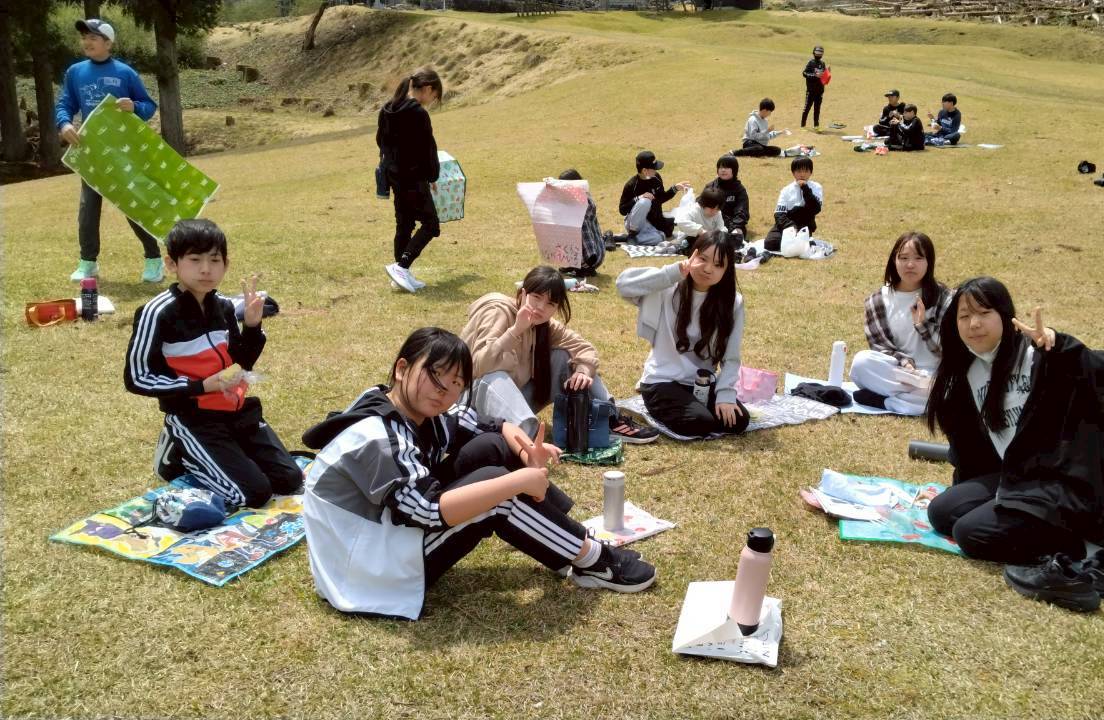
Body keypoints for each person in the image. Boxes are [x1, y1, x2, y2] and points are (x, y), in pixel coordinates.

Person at [301, 327, 657, 620]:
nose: (445, 391)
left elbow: (494, 426)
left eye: (456, 382)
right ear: (401, 368)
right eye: (435, 375)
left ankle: (564, 535)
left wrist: (527, 454)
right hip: (369, 569)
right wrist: (518, 481)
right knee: (498, 498)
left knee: (490, 447)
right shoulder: (377, 437)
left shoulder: (406, 405)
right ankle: (593, 560)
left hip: (385, 534)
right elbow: (427, 511)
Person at [923, 277, 1104, 611]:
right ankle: (1027, 523)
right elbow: (971, 449)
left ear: (1006, 315)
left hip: (1066, 488)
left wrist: (1063, 347)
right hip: (1019, 479)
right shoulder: (968, 370)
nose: (974, 324)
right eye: (964, 316)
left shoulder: (1041, 356)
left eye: (984, 313)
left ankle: (1093, 555)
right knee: (942, 512)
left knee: (971, 534)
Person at [124, 219, 302, 509]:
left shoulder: (223, 307)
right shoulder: (157, 312)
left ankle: (227, 454)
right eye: (195, 260)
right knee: (253, 494)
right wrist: (201, 386)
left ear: (225, 265)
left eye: (214, 260)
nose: (206, 269)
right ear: (172, 264)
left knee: (289, 480)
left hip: (236, 411)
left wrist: (252, 327)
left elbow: (240, 363)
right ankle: (179, 452)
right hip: (194, 418)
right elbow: (137, 377)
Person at [460, 266, 658, 444]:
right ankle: (525, 442)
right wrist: (515, 331)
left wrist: (583, 371)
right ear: (523, 293)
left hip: (514, 402)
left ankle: (607, 418)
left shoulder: (544, 325)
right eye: (536, 297)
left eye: (550, 304)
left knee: (563, 357)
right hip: (473, 407)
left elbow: (584, 348)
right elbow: (479, 367)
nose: (541, 307)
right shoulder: (498, 311)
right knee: (495, 377)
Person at [56, 18, 163, 284]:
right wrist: (65, 123)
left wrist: (135, 107)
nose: (87, 42)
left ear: (108, 43)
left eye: (93, 37)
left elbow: (148, 106)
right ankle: (88, 262)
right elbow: (65, 104)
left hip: (124, 152)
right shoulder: (75, 72)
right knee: (88, 208)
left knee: (132, 205)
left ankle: (154, 260)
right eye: (84, 37)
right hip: (92, 152)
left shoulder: (125, 73)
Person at [616, 231, 748, 438]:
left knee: (738, 421)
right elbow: (623, 285)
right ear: (692, 254)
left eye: (718, 265)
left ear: (727, 270)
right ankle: (663, 404)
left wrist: (725, 394)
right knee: (700, 422)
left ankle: (694, 407)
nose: (708, 269)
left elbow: (731, 358)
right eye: (702, 259)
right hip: (661, 381)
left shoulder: (732, 303)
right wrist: (674, 272)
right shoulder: (666, 287)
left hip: (701, 384)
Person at [850, 231, 951, 415]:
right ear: (894, 261)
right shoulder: (877, 301)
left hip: (935, 375)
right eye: (903, 258)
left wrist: (922, 326)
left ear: (929, 262)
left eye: (918, 258)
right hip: (899, 373)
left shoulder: (944, 297)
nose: (910, 264)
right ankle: (914, 400)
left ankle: (886, 402)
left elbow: (950, 350)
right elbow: (881, 348)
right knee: (861, 363)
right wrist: (905, 363)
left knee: (951, 391)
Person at [377, 67, 443, 293]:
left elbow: (380, 141)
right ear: (427, 89)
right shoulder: (419, 114)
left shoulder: (387, 109)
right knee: (431, 225)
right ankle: (402, 266)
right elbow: (428, 150)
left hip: (394, 176)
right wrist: (432, 176)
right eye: (434, 96)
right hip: (413, 178)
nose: (431, 101)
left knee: (404, 224)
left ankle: (400, 275)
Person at [618, 150, 690, 246]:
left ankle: (627, 238)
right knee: (645, 201)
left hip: (650, 223)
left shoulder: (656, 178)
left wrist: (674, 189)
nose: (656, 170)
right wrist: (638, 198)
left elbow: (661, 198)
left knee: (659, 238)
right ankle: (632, 234)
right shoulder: (631, 185)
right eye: (654, 168)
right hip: (634, 223)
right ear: (645, 171)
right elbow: (622, 210)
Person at [764, 157, 822, 252]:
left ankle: (803, 242)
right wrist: (791, 228)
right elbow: (779, 214)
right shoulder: (786, 190)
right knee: (770, 243)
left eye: (806, 171)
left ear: (811, 172)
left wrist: (805, 188)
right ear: (793, 172)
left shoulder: (816, 187)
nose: (802, 174)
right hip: (786, 222)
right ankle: (801, 243)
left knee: (798, 241)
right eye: (799, 171)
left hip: (805, 222)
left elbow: (815, 209)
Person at [555, 169, 605, 278]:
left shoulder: (583, 203)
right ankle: (574, 264)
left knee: (576, 226)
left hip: (593, 254)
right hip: (591, 252)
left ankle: (585, 265)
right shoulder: (575, 199)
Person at [705, 155, 749, 242]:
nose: (723, 170)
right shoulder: (711, 186)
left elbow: (742, 211)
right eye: (720, 167)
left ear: (734, 170)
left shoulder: (739, 189)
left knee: (736, 237)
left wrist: (735, 227)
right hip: (712, 222)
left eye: (727, 167)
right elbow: (701, 205)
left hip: (732, 223)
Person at [800, 46, 827, 130]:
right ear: (814, 53)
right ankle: (803, 125)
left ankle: (816, 125)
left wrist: (827, 73)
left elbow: (824, 76)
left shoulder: (823, 63)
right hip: (811, 90)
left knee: (817, 109)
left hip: (820, 90)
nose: (819, 54)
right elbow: (804, 73)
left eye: (820, 53)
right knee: (807, 107)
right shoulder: (810, 63)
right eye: (817, 53)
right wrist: (815, 75)